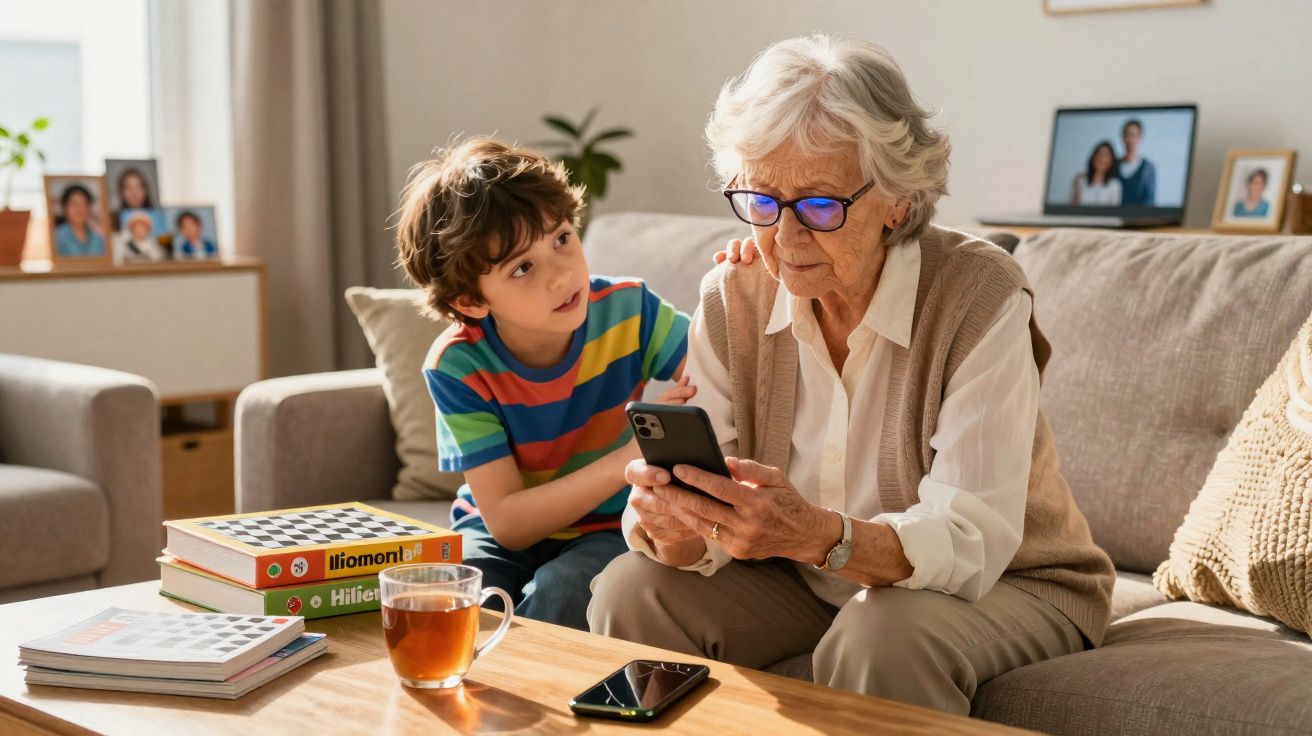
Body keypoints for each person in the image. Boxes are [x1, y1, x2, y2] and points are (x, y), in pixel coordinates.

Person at [587, 34, 1114, 716]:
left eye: (820, 204)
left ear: (897, 197)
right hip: (802, 577)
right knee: (632, 588)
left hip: (1009, 581)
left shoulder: (979, 295)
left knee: (880, 632)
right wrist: (679, 526)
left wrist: (817, 535)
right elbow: (704, 519)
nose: (786, 237)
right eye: (763, 201)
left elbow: (969, 536)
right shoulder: (733, 294)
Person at [393, 137, 694, 631]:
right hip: (495, 530)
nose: (561, 275)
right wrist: (625, 461)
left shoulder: (630, 311)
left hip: (607, 522)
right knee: (453, 603)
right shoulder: (458, 366)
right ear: (470, 301)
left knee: (562, 591)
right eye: (522, 268)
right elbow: (508, 524)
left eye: (560, 239)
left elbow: (725, 370)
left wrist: (741, 282)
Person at [52, 184, 106, 258]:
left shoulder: (98, 235)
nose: (80, 210)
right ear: (64, 207)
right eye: (75, 204)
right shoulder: (56, 236)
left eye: (84, 205)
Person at [1071, 141, 1122, 206]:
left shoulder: (1114, 186)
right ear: (1093, 157)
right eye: (1099, 154)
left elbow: (1113, 213)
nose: (1101, 158)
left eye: (1105, 155)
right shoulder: (1080, 180)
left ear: (1111, 162)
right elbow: (1073, 208)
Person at [1118, 119, 1156, 206]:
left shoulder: (1148, 168)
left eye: (1132, 135)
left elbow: (1149, 201)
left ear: (1140, 137)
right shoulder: (1114, 165)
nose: (1129, 139)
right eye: (1126, 135)